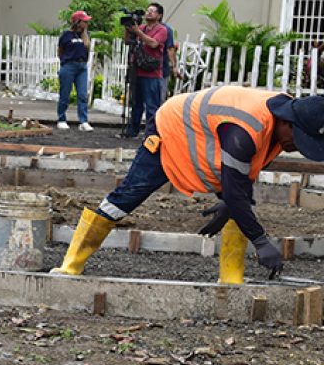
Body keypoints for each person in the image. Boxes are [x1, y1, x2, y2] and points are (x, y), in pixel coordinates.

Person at [51, 85, 324, 282]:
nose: (295, 147)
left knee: (237, 204)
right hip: (172, 128)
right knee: (131, 193)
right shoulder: (246, 129)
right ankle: (71, 264)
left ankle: (231, 278)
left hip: (208, 134)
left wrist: (232, 201)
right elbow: (235, 184)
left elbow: (240, 183)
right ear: (287, 122)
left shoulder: (279, 124)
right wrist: (260, 240)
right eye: (299, 140)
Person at [124, 3, 169, 138]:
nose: (148, 13)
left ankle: (151, 133)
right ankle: (133, 131)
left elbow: (154, 43)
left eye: (152, 11)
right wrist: (128, 29)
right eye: (148, 11)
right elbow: (127, 42)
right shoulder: (142, 27)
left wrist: (137, 32)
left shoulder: (162, 30)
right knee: (136, 104)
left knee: (151, 105)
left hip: (152, 73)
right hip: (137, 71)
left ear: (159, 15)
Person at [56, 11, 94, 132]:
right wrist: (64, 62)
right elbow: (60, 51)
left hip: (82, 66)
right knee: (65, 94)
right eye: (84, 21)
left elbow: (87, 51)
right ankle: (61, 119)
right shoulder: (66, 35)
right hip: (69, 66)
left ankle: (83, 121)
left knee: (82, 95)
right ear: (77, 22)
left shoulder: (86, 35)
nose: (86, 23)